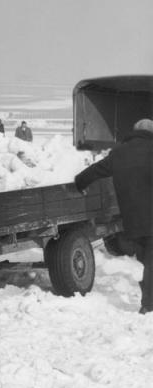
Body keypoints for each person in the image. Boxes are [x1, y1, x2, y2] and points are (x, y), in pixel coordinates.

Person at [74, 118, 153, 313]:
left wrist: (79, 182)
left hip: (132, 219)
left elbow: (95, 171)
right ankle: (148, 304)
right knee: (151, 261)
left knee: (147, 259)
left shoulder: (119, 153)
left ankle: (149, 298)